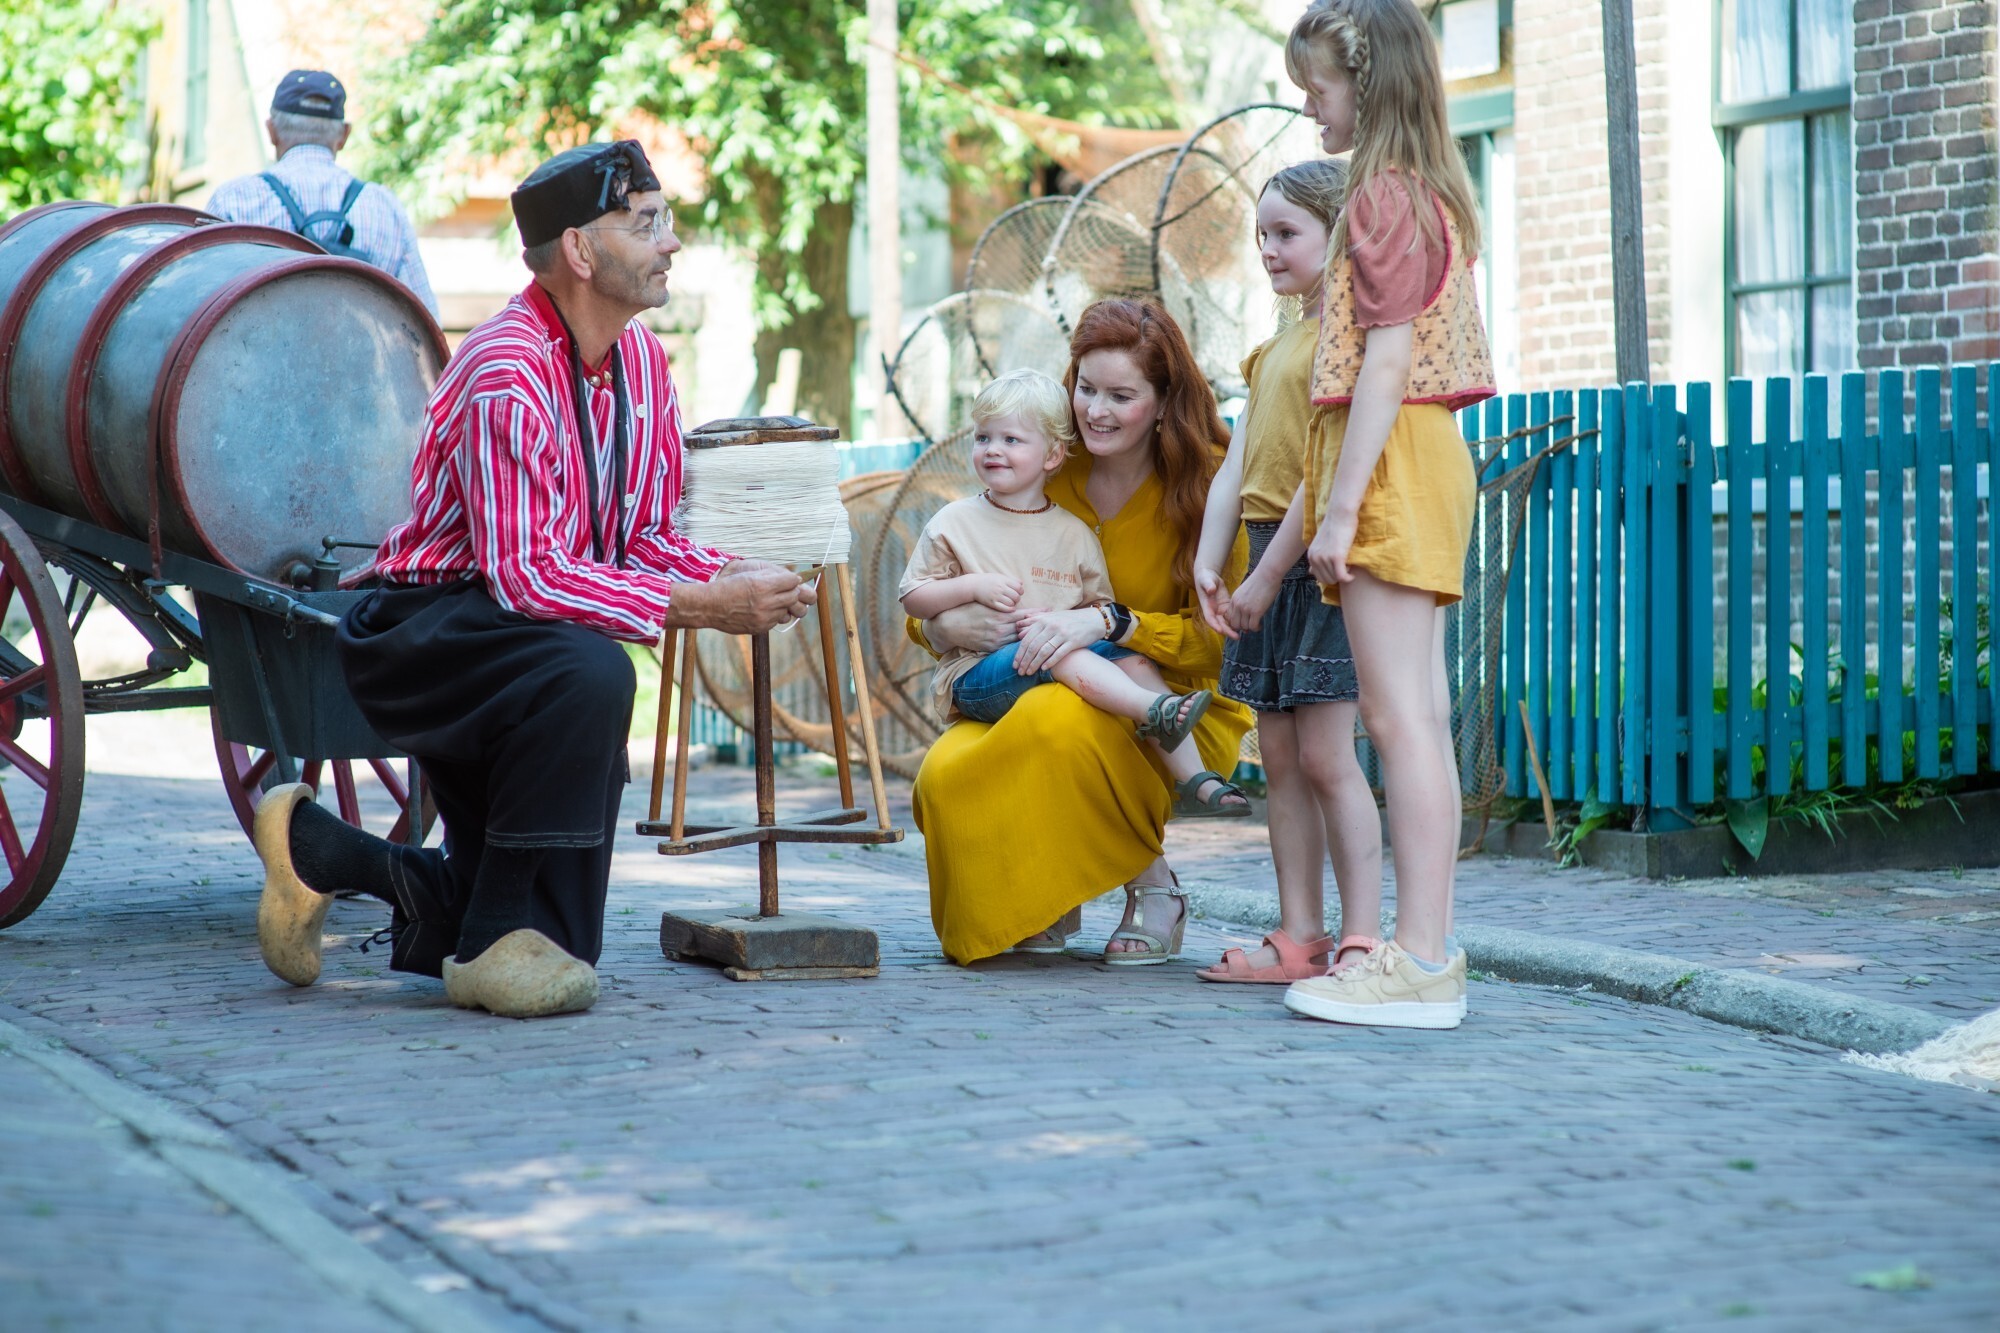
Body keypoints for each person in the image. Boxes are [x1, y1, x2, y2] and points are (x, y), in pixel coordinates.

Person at [250, 140, 813, 1018]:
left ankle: (312, 847)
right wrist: (703, 604)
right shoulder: (506, 371)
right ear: (580, 251)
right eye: (647, 223)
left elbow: (643, 537)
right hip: (428, 630)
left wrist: (733, 573)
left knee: (566, 939)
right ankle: (487, 947)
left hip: (521, 634)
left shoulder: (644, 366)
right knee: (591, 672)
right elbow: (526, 575)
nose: (671, 243)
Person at [910, 300, 1254, 965]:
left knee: (1057, 718)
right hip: (1019, 677)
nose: (1095, 410)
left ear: (1163, 402)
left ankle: (1155, 886)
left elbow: (1224, 643)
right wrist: (948, 623)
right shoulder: (1042, 461)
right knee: (943, 774)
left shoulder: (1209, 483)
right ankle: (1044, 888)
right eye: (1086, 388)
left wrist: (1112, 622)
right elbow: (932, 594)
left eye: (1121, 396)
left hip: (1172, 705)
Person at [1278, 0, 1495, 1029]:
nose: (1308, 108)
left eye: (1316, 88)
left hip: (1394, 460)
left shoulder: (1379, 196)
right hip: (1421, 456)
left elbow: (1386, 361)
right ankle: (1426, 955)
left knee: (1396, 719)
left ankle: (1419, 961)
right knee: (1417, 719)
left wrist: (1338, 512)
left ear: (1363, 87)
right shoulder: (1424, 190)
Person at [1189, 158, 1386, 985]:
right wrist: (1209, 560)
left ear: (1339, 235)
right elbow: (1237, 465)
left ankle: (1362, 938)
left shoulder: (1350, 342)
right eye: (1261, 234)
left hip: (1313, 565)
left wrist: (1267, 575)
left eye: (1286, 233)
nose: (1268, 249)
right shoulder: (1273, 348)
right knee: (1279, 758)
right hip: (1264, 555)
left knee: (1328, 757)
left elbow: (1326, 469)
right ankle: (1299, 934)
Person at [899, 369, 1228, 820]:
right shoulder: (954, 521)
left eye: (1011, 440)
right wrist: (971, 587)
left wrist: (1080, 623)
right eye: (983, 437)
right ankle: (1154, 709)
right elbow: (913, 596)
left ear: (1053, 455)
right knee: (1058, 650)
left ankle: (1197, 781)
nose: (992, 449)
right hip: (976, 676)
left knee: (1132, 658)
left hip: (1050, 664)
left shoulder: (1073, 533)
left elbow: (1098, 610)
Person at [207, 69, 438, 316]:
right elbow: (425, 319)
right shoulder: (386, 208)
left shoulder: (232, 200)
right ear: (344, 135)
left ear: (271, 130)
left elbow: (200, 305)